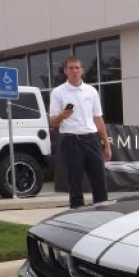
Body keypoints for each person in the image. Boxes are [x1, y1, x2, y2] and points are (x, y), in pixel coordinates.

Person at [48, 56, 112, 208]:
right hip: (71, 141)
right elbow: (52, 122)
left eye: (77, 67)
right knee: (75, 183)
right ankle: (77, 215)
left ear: (82, 70)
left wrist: (106, 144)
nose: (74, 71)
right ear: (65, 71)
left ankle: (102, 212)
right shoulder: (58, 92)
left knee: (99, 180)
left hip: (91, 139)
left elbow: (98, 118)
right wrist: (62, 116)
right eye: (71, 68)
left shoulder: (91, 91)